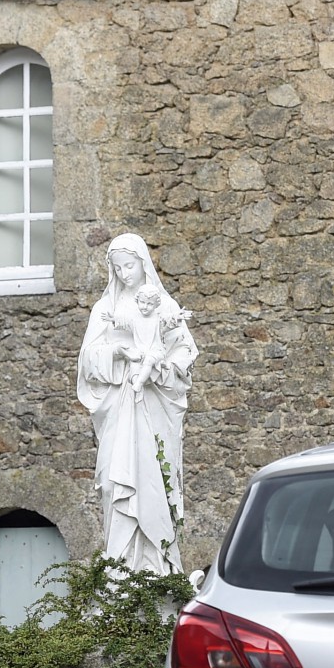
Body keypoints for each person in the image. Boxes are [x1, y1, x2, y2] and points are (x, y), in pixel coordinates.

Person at [76, 234, 197, 573]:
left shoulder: (165, 306)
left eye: (129, 266)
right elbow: (88, 360)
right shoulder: (106, 309)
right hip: (119, 405)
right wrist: (117, 352)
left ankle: (157, 569)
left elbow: (185, 352)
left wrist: (163, 367)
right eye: (117, 268)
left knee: (154, 478)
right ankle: (120, 570)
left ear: (143, 264)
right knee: (114, 483)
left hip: (153, 408)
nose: (124, 273)